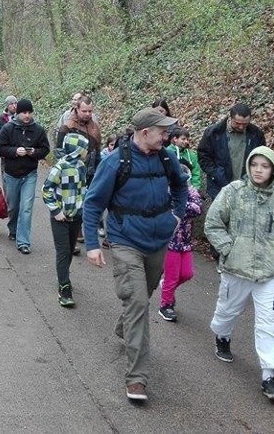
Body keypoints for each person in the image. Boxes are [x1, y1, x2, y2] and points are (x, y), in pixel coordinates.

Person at [81, 107, 188, 402]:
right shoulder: (116, 162)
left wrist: (177, 216)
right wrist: (91, 244)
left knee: (141, 297)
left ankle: (125, 324)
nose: (167, 136)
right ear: (145, 133)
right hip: (125, 239)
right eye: (163, 132)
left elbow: (181, 186)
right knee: (138, 300)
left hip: (158, 240)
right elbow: (92, 204)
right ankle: (137, 379)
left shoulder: (166, 157)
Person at [205, 146, 274, 402]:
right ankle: (222, 336)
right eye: (255, 164)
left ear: (273, 169)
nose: (259, 170)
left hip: (268, 273)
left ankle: (269, 374)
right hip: (236, 269)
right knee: (227, 310)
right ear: (248, 166)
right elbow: (213, 223)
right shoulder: (232, 192)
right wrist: (229, 248)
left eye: (265, 165)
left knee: (269, 322)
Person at [42, 133, 92, 307]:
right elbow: (46, 190)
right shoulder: (59, 167)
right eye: (85, 148)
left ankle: (63, 275)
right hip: (60, 218)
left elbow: (83, 189)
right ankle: (64, 287)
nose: (87, 151)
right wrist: (56, 210)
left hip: (76, 216)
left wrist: (84, 208)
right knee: (63, 251)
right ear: (76, 150)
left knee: (70, 250)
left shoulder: (81, 166)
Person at [0, 98, 50, 254]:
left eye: (29, 112)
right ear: (17, 113)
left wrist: (34, 152)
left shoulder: (38, 130)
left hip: (30, 174)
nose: (27, 116)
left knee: (26, 208)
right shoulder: (8, 128)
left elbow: (45, 149)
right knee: (13, 207)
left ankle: (23, 241)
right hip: (11, 174)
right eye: (23, 112)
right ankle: (13, 229)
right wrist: (14, 151)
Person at [55, 95, 103, 251]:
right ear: (77, 109)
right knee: (72, 204)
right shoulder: (67, 126)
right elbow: (59, 151)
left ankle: (82, 233)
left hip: (90, 172)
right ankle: (72, 239)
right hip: (72, 173)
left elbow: (98, 150)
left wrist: (98, 169)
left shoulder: (95, 127)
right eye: (84, 111)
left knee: (87, 204)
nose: (87, 114)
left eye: (90, 111)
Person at [158, 160, 203, 322]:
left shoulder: (190, 191)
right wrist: (182, 205)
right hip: (169, 242)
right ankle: (166, 305)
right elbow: (164, 207)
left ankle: (166, 290)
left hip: (185, 241)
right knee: (172, 275)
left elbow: (198, 209)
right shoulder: (165, 190)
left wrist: (180, 204)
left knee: (187, 274)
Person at [197, 103, 266, 200]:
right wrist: (216, 173)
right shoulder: (213, 133)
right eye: (237, 123)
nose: (241, 127)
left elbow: (262, 157)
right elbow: (203, 156)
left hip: (248, 186)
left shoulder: (256, 134)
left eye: (245, 124)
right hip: (220, 186)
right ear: (230, 117)